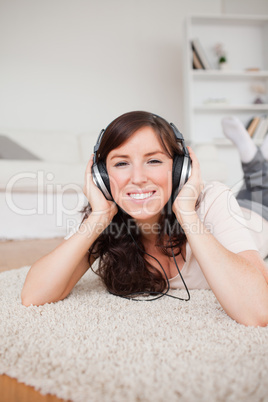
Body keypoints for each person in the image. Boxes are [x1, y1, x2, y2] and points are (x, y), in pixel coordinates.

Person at [21, 111, 268, 327]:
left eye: (153, 160)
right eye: (121, 163)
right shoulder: (105, 215)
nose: (138, 177)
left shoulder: (212, 199)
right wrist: (98, 217)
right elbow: (33, 296)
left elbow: (258, 311)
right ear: (102, 176)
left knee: (259, 189)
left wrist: (186, 213)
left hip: (255, 216)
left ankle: (255, 162)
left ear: (180, 169)